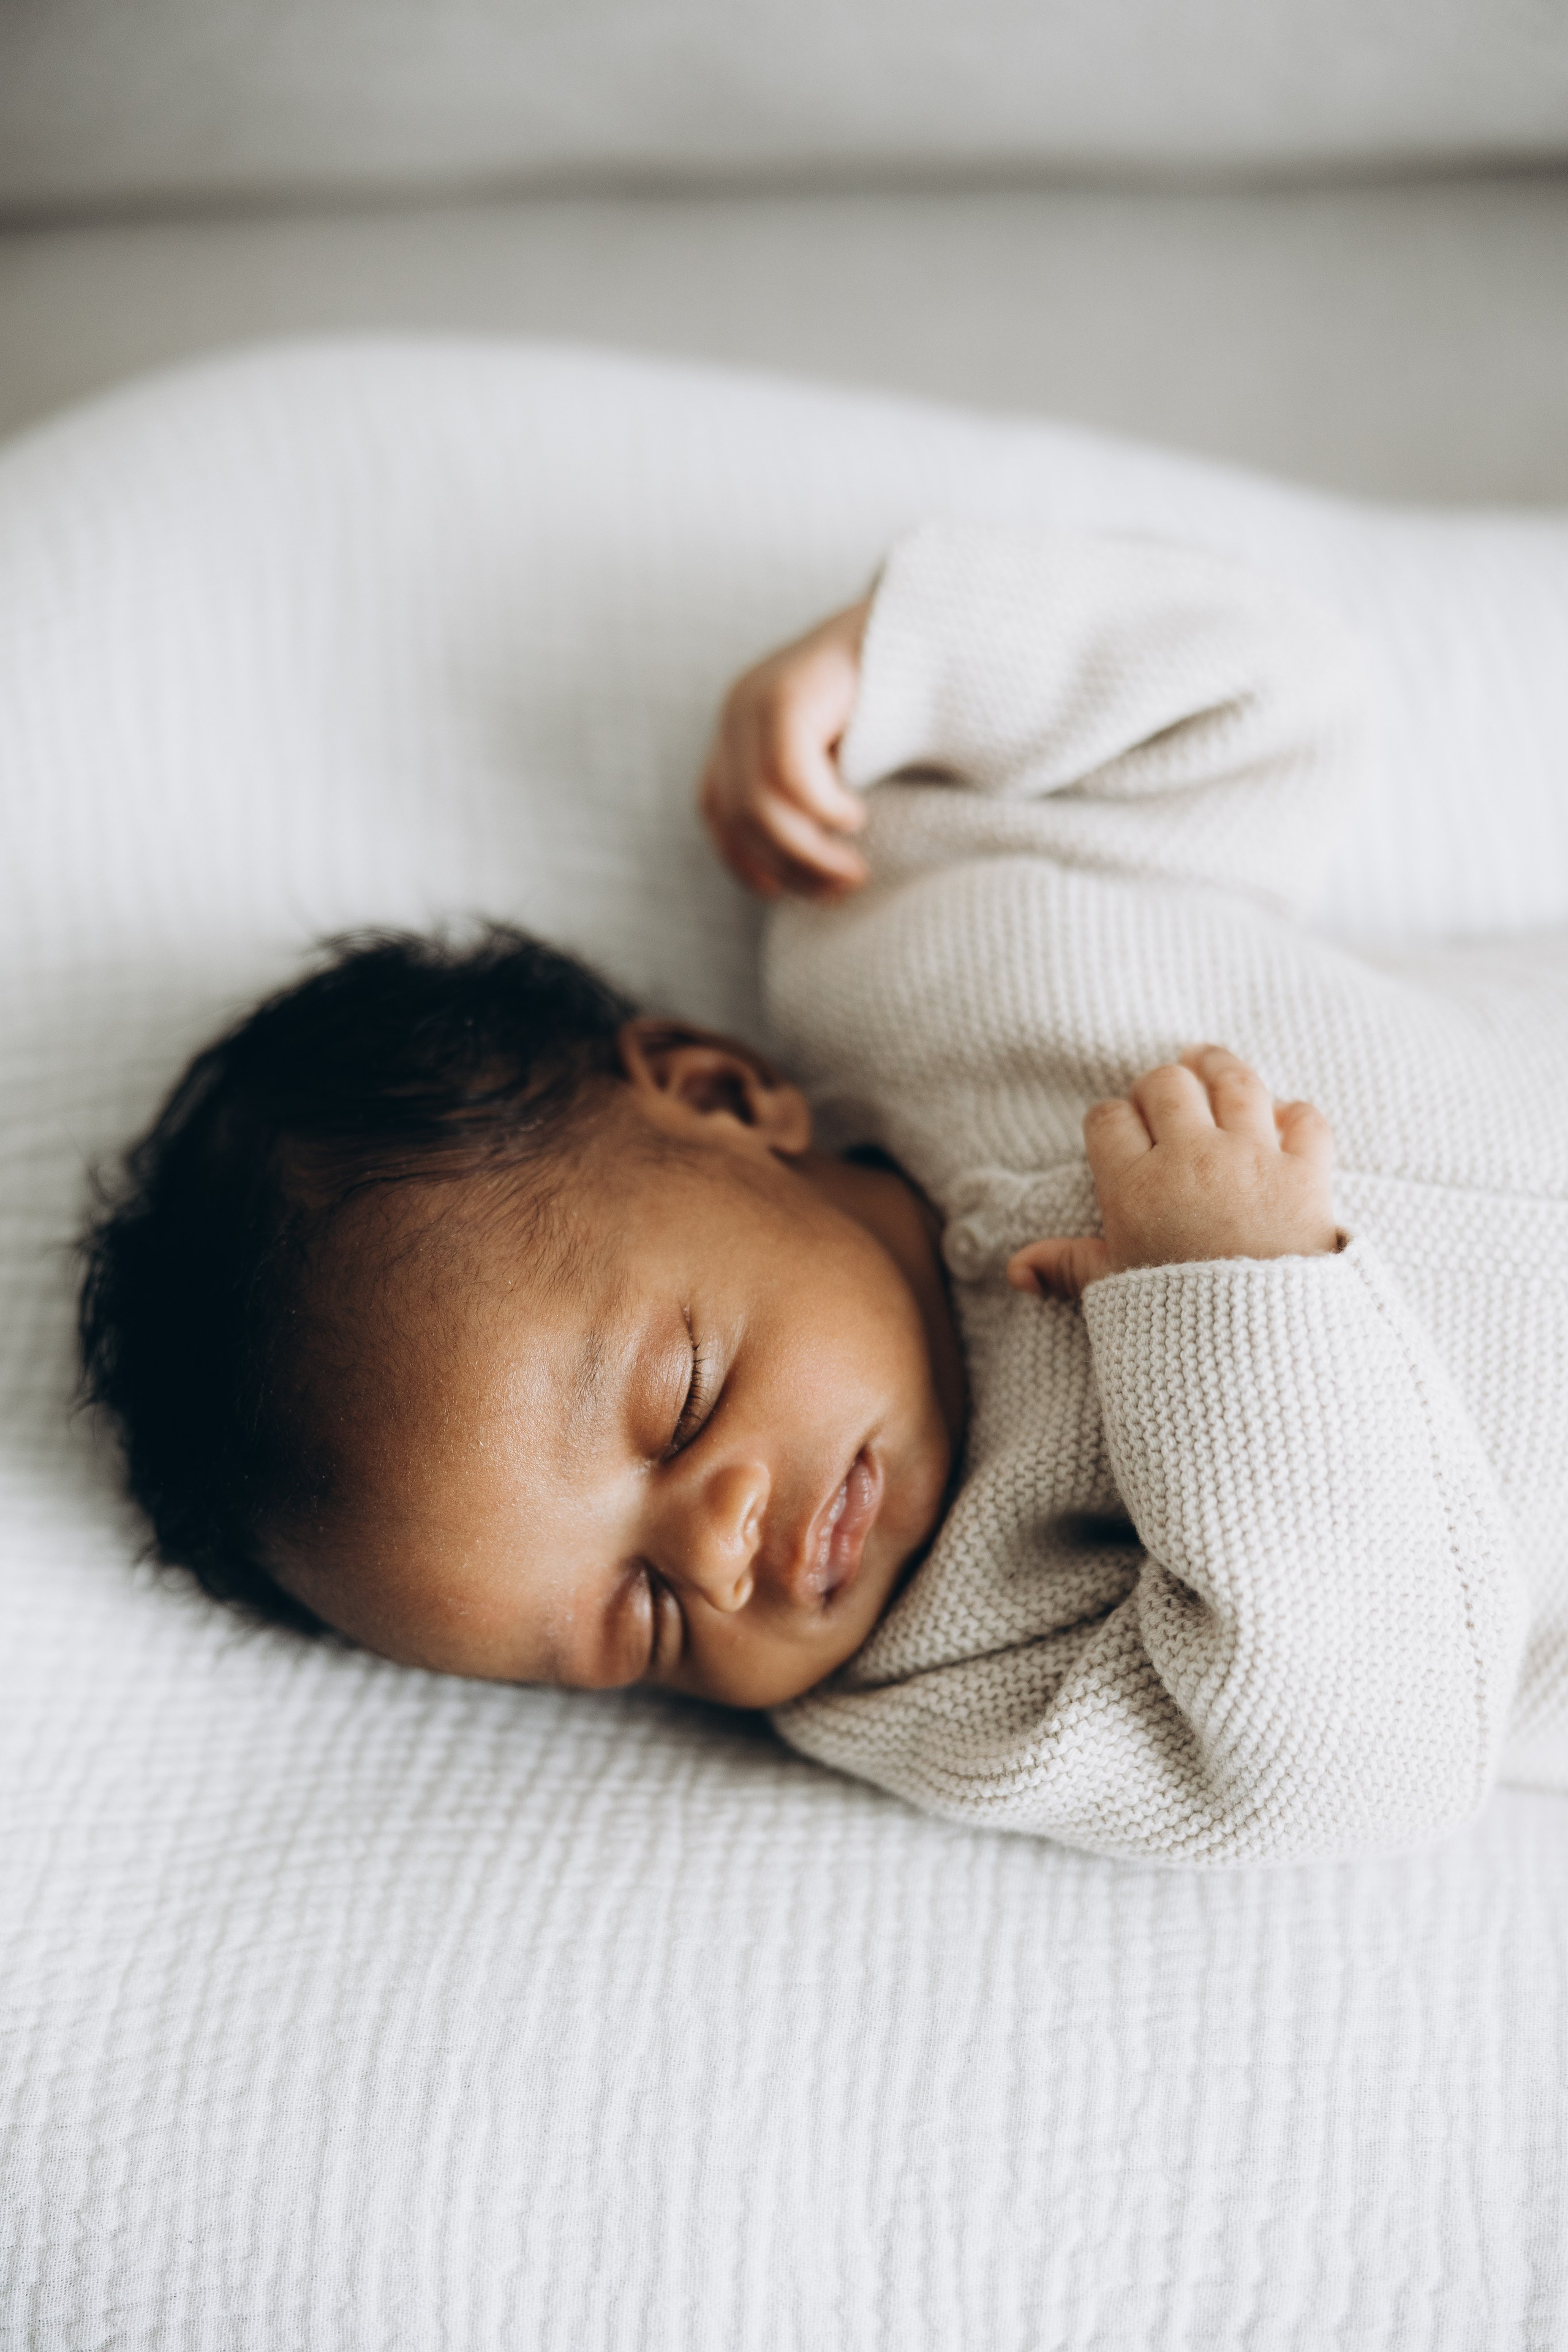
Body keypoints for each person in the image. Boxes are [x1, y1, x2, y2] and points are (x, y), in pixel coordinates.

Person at [80, 526, 1568, 1863]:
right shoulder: (952, 1674)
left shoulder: (933, 955)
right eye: (645, 1618)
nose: (720, 1551)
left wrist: (888, 677)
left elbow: (1259, 702)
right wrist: (1238, 1315)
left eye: (681, 1403)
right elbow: (1353, 1767)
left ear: (721, 1096)